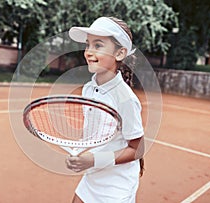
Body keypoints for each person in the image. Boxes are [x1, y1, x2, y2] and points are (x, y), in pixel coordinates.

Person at [66, 16, 145, 203]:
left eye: (98, 45)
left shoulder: (125, 99)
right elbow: (94, 134)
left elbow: (137, 149)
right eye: (87, 45)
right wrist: (81, 153)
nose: (88, 52)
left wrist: (93, 160)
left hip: (117, 185)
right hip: (94, 175)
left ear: (119, 54)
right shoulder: (88, 89)